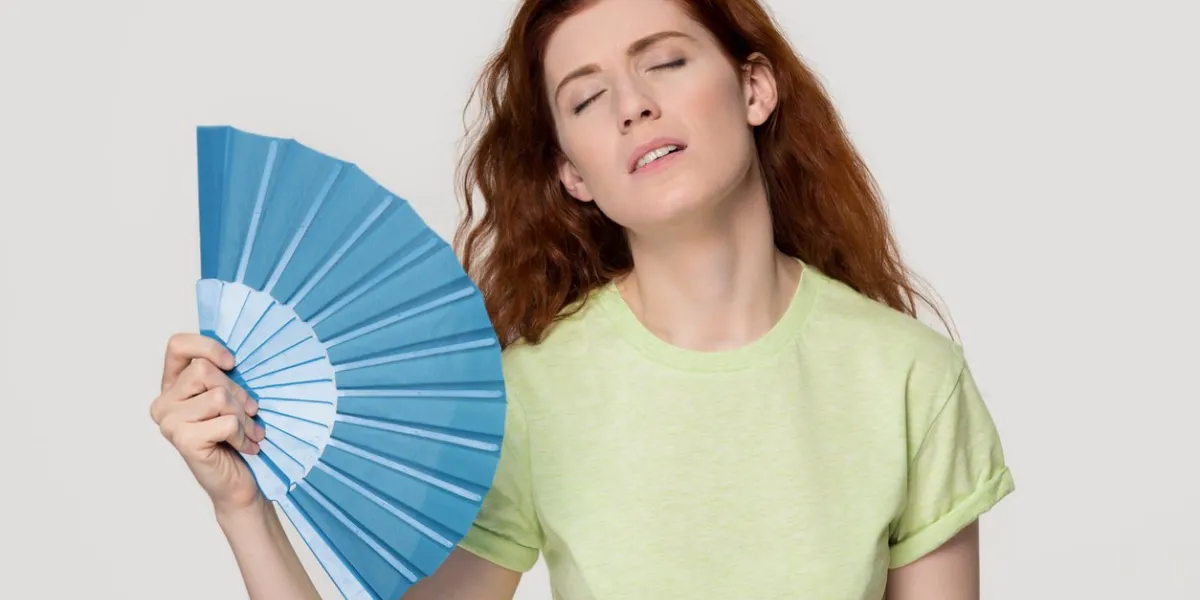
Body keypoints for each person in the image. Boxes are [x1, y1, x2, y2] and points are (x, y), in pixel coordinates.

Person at [149, 0, 1015, 598]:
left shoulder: (909, 378)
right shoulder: (531, 397)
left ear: (754, 88)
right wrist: (243, 507)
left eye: (666, 63)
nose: (634, 106)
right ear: (573, 173)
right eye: (589, 97)